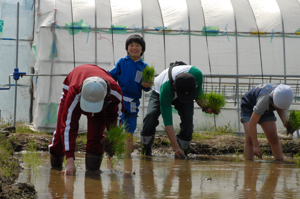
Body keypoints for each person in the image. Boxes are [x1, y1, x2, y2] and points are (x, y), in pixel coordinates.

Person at [49, 64, 124, 175]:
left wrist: (112, 139)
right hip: (73, 85)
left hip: (102, 99)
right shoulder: (75, 91)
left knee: (96, 137)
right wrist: (70, 162)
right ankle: (55, 168)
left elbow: (115, 118)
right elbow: (68, 126)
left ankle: (92, 172)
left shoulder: (115, 93)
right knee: (61, 136)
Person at [140, 61, 212, 158]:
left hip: (184, 89)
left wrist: (206, 107)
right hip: (159, 92)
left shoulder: (197, 75)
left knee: (188, 121)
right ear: (174, 87)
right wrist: (175, 147)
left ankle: (183, 151)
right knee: (151, 116)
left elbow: (199, 95)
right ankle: (146, 150)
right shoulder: (166, 89)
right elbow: (168, 123)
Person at [109, 34, 151, 157]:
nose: (134, 48)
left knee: (130, 129)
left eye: (137, 45)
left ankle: (127, 156)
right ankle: (111, 154)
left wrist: (147, 85)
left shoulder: (144, 67)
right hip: (119, 100)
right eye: (131, 45)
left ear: (142, 49)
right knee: (116, 126)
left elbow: (145, 88)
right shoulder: (122, 62)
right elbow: (112, 76)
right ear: (127, 48)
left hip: (134, 102)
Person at [240, 83, 294, 161]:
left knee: (273, 138)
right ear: (273, 98)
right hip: (249, 106)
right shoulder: (264, 100)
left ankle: (279, 164)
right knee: (250, 139)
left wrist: (285, 123)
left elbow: (280, 108)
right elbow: (252, 123)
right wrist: (256, 146)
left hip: (266, 108)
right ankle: (249, 167)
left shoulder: (284, 94)